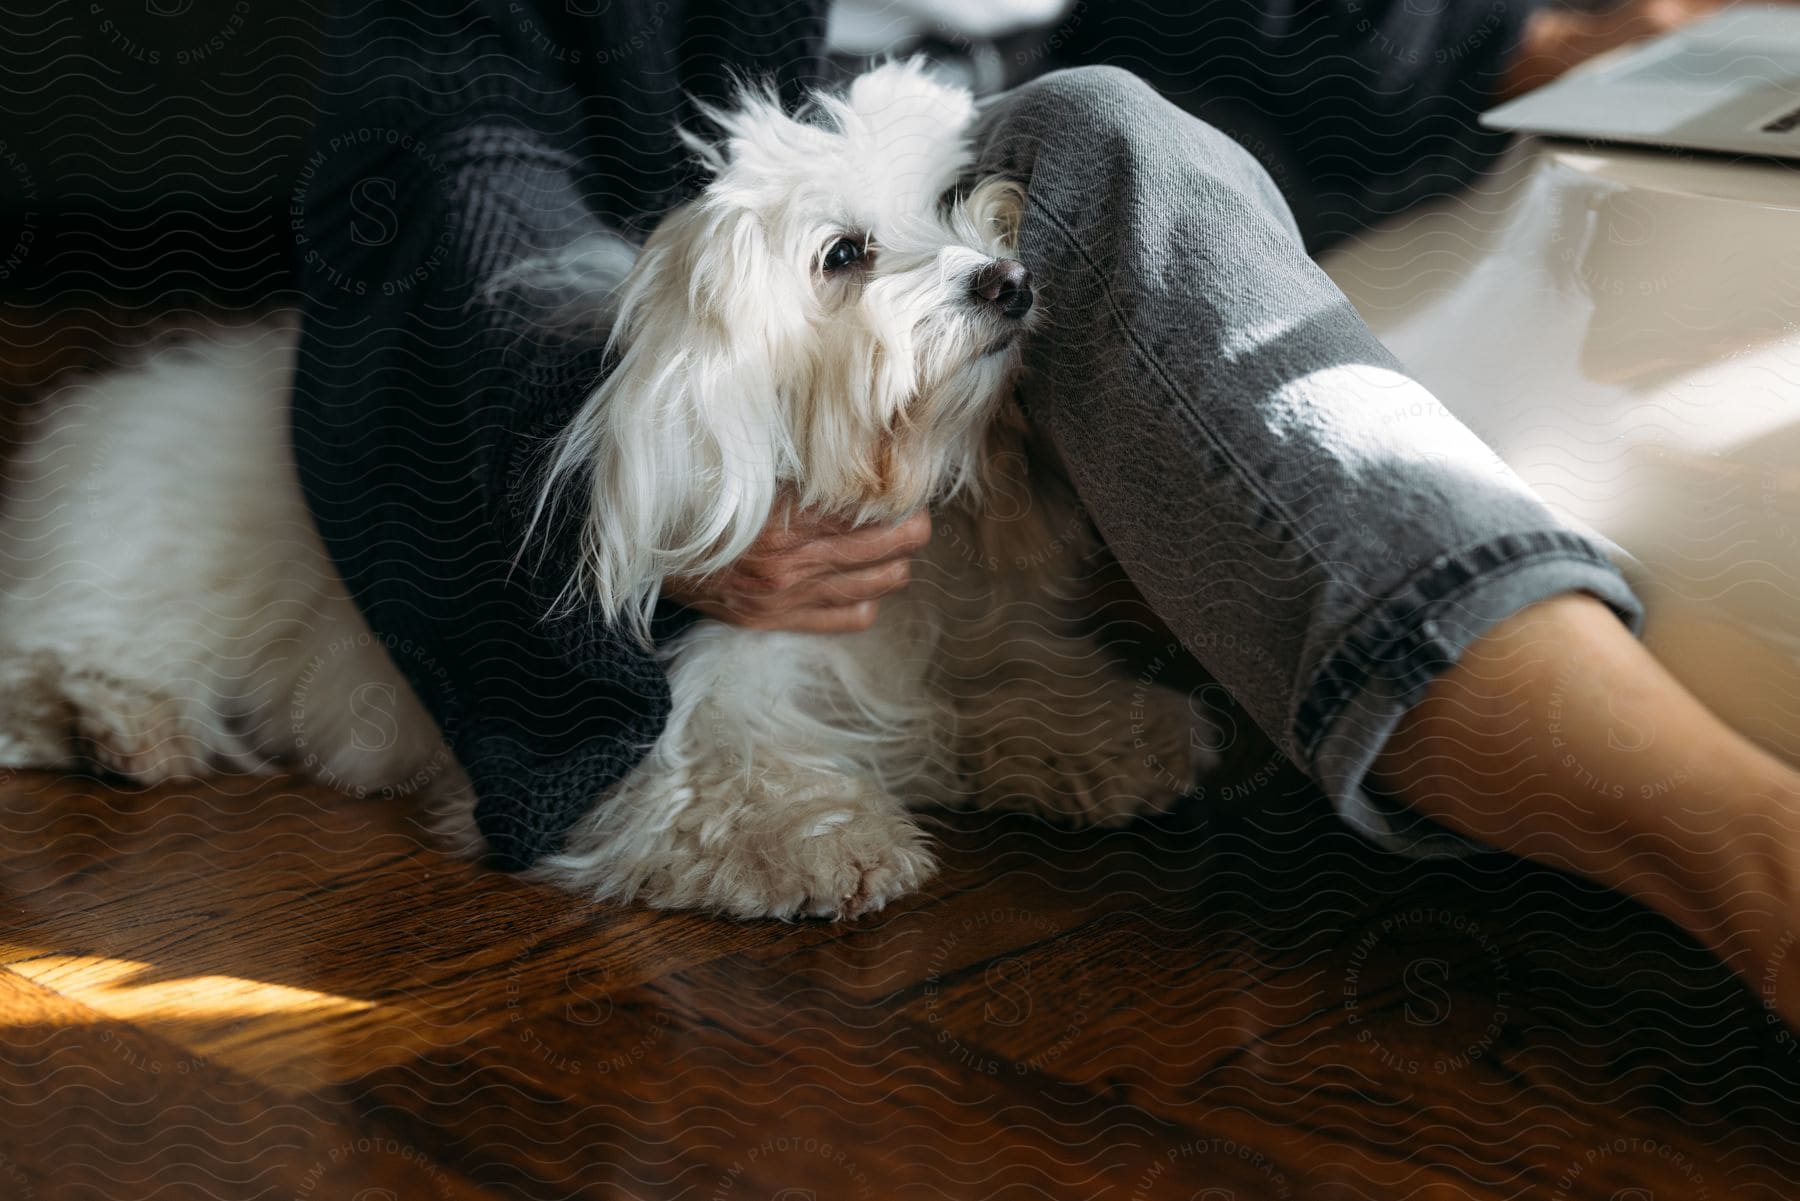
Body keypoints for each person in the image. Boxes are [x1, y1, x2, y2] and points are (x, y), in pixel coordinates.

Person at [290, 0, 1799, 1023]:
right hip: (826, 261)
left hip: (1144, 203)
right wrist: (640, 463)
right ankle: (1748, 852)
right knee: (1090, 135)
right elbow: (448, 156)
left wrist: (1548, 36)